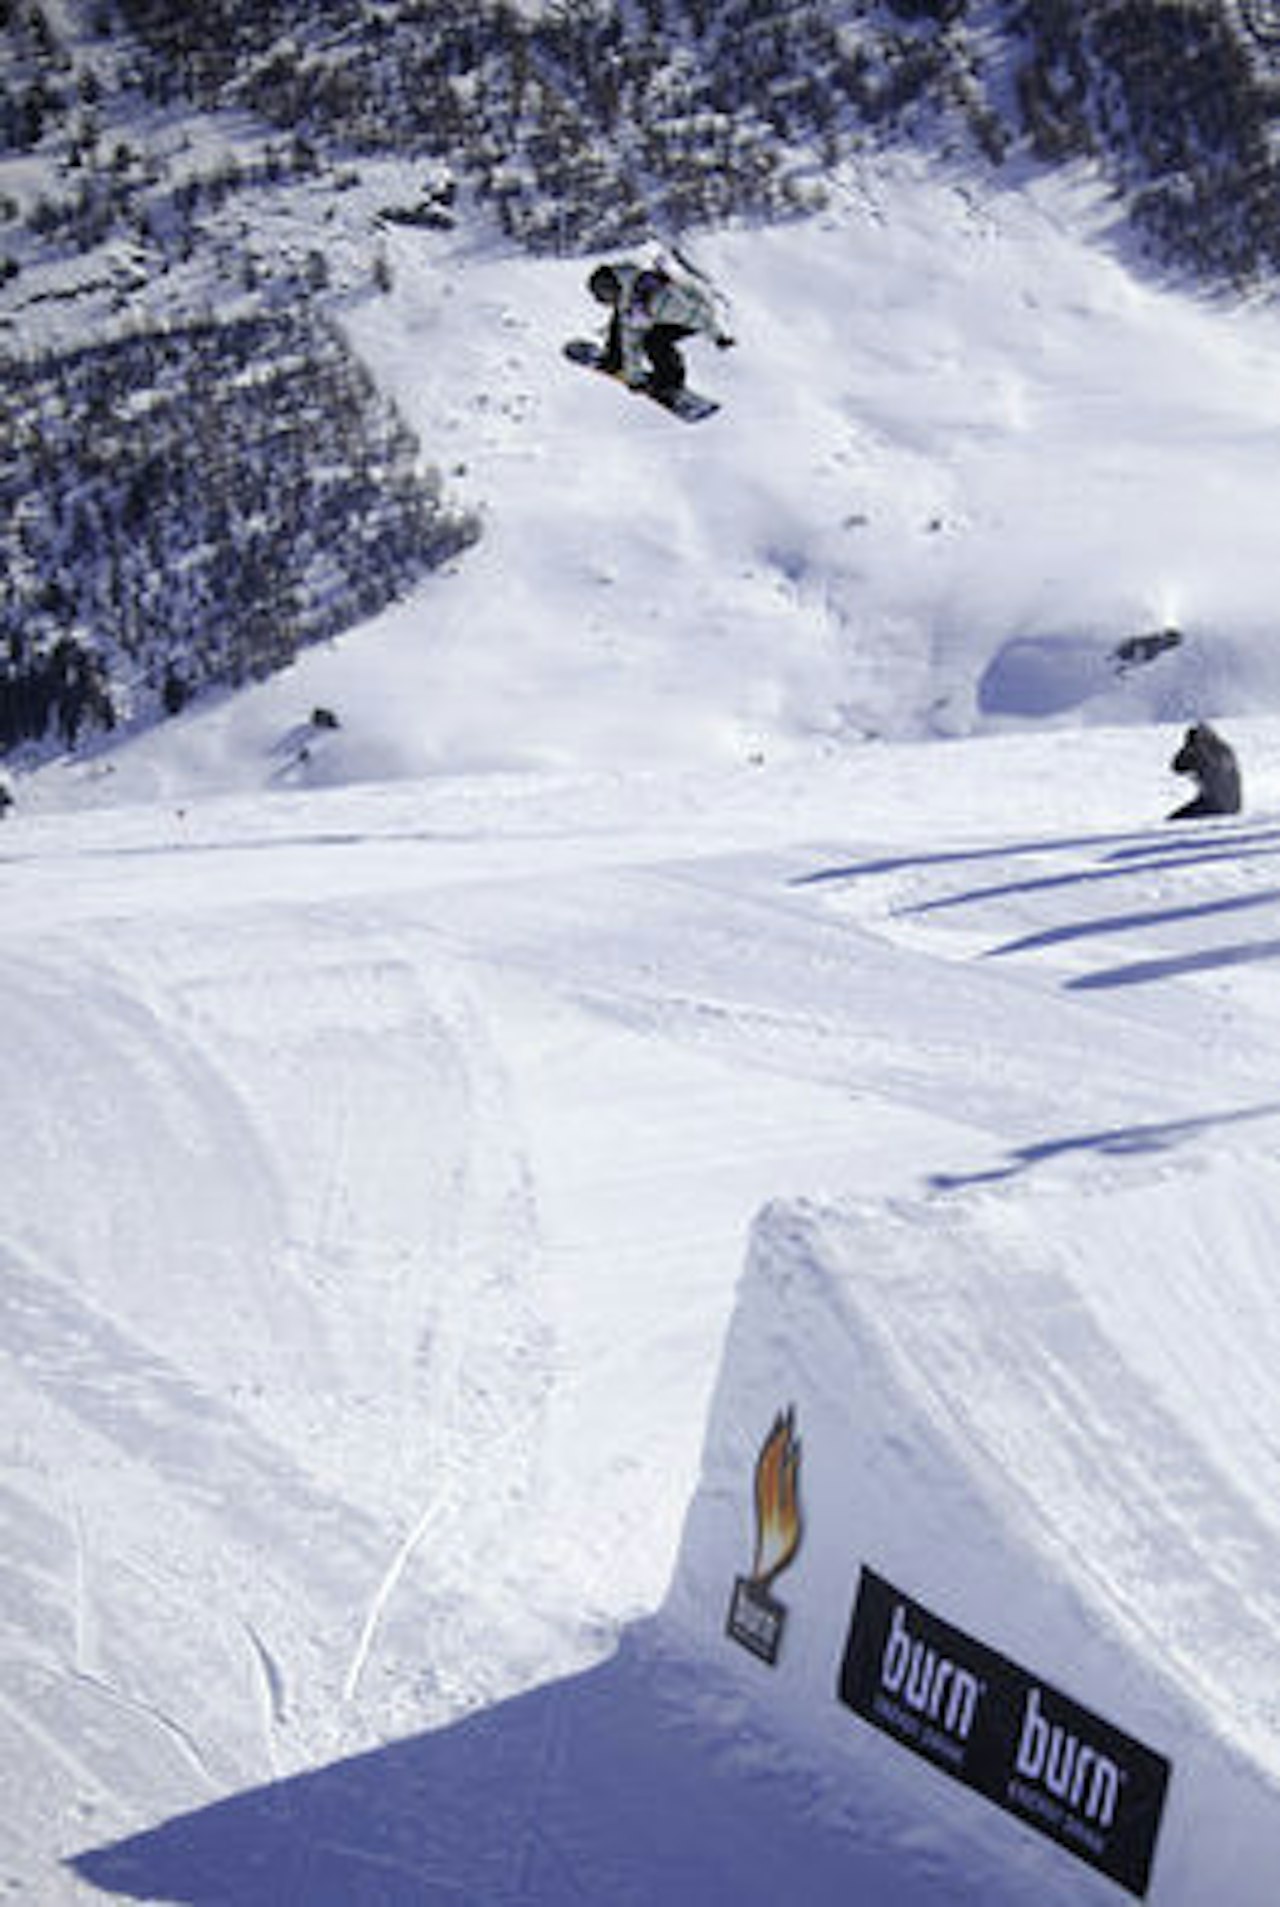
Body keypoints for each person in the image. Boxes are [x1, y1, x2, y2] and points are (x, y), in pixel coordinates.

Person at [587, 257, 734, 398]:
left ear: (614, 285)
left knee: (655, 340)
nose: (605, 300)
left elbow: (697, 316)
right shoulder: (628, 300)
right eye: (601, 296)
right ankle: (614, 358)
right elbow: (631, 339)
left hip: (696, 308)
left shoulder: (660, 299)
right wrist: (634, 376)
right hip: (660, 311)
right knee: (621, 320)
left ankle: (671, 382)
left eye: (604, 294)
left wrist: (718, 337)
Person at [1167, 721, 1241, 819]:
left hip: (1222, 804)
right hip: (1208, 800)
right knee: (1174, 819)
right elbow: (1177, 767)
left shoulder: (1221, 751)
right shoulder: (1198, 754)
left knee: (1177, 820)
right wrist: (1187, 750)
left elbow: (1220, 769)